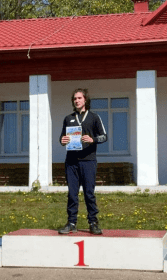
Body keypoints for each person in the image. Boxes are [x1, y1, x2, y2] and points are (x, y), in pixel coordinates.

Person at [59, 88, 107, 235]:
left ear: (85, 100)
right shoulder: (68, 118)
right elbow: (62, 139)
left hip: (88, 161)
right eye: (75, 99)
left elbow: (104, 136)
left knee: (89, 193)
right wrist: (63, 140)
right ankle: (71, 222)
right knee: (72, 194)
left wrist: (93, 140)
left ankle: (93, 222)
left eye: (79, 98)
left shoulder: (94, 117)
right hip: (71, 162)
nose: (77, 101)